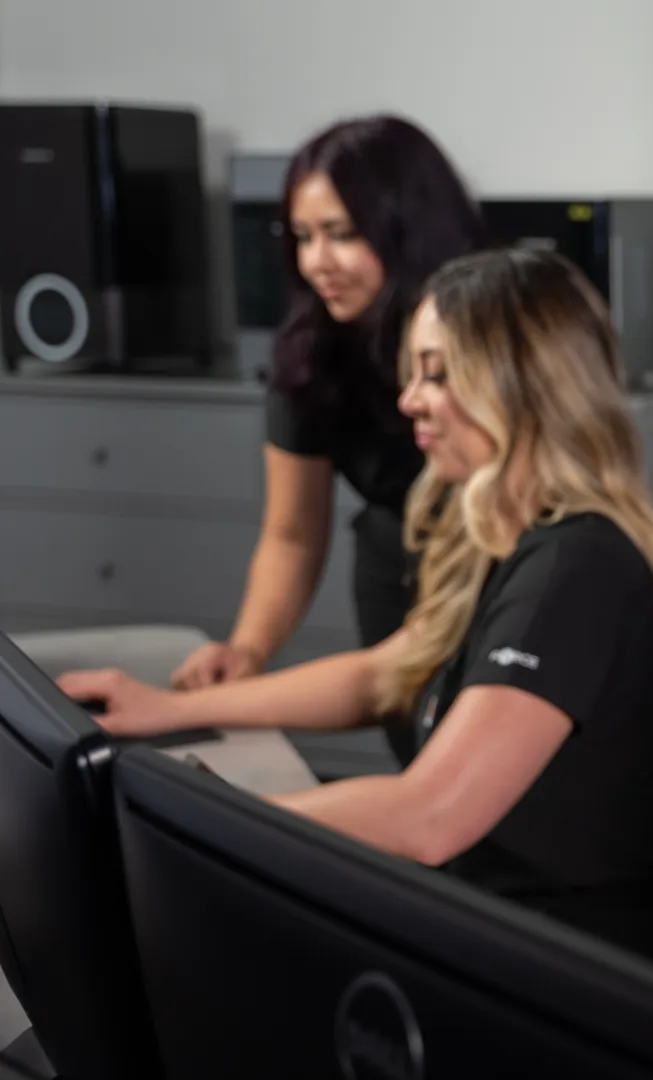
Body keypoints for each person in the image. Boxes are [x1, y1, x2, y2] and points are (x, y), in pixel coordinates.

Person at [61, 247, 653, 967]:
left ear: (519, 382)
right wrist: (169, 709)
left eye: (437, 373)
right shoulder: (522, 540)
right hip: (488, 918)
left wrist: (193, 824)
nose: (409, 401)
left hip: (547, 966)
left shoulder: (575, 572)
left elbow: (427, 817)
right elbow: (385, 674)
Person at [175, 114, 490, 764]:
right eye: (302, 237)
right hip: (398, 579)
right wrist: (247, 653)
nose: (317, 262)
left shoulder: (493, 337)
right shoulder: (311, 354)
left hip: (495, 575)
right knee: (425, 764)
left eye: (341, 235)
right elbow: (292, 532)